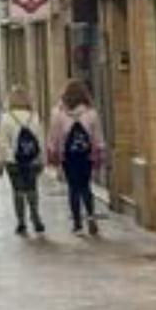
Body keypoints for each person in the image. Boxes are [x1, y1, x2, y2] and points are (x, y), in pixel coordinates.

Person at [46, 78, 107, 236]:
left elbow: (54, 136)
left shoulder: (58, 113)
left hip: (68, 156)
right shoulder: (91, 113)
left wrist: (52, 152)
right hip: (86, 155)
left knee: (73, 187)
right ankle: (91, 216)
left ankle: (77, 222)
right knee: (86, 186)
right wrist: (100, 153)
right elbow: (98, 137)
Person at [0, 85, 45, 235]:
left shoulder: (6, 118)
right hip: (32, 159)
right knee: (32, 188)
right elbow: (40, 140)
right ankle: (35, 216)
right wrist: (42, 160)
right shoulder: (34, 117)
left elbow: (2, 143)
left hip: (13, 161)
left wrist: (0, 163)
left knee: (17, 190)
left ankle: (21, 222)